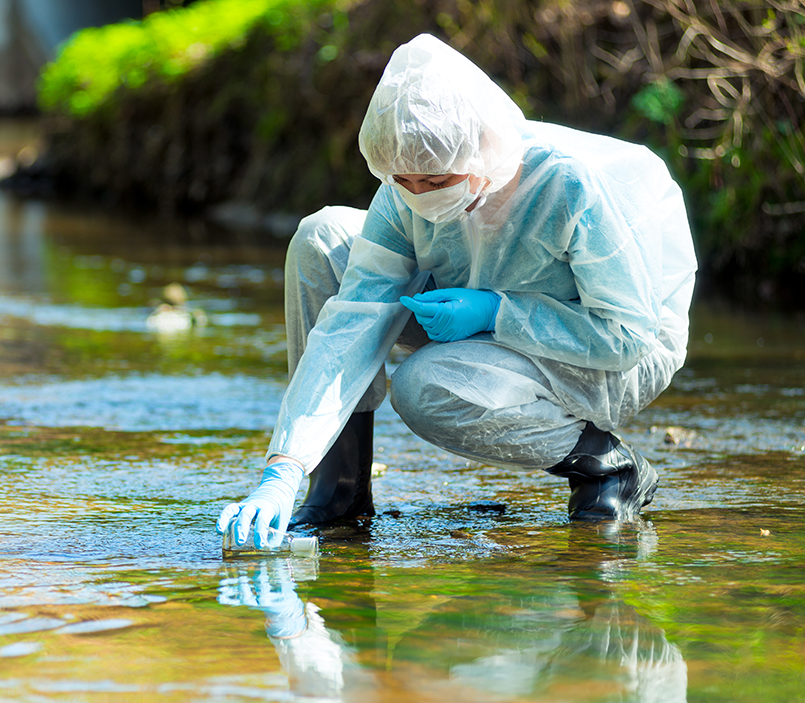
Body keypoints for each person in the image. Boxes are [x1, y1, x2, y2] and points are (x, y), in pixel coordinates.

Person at [217, 33, 697, 549]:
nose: (419, 197)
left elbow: (626, 336)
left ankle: (605, 465)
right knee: (323, 237)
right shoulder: (405, 189)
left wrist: (496, 312)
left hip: (609, 348)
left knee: (423, 387)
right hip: (468, 300)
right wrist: (284, 468)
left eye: (435, 182)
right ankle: (339, 489)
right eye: (403, 181)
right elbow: (352, 320)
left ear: (481, 151)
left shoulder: (569, 187)